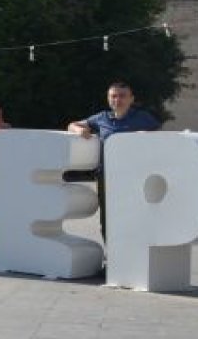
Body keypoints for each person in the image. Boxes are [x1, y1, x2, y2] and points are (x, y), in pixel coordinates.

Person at [67, 80, 161, 239]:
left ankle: (133, 256)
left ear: (131, 99)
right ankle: (111, 257)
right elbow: (71, 125)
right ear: (108, 98)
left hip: (135, 176)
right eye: (113, 96)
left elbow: (161, 139)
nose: (117, 100)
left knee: (134, 217)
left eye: (122, 96)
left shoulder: (143, 118)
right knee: (108, 219)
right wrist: (78, 129)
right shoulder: (101, 118)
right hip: (106, 177)